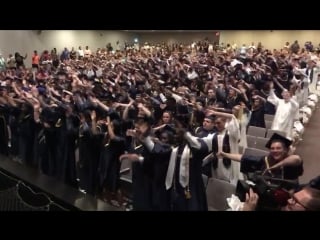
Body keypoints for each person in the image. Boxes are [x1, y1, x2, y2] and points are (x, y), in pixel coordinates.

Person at [217, 133, 303, 181]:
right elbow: (242, 158)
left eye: (278, 148)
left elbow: (297, 159)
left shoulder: (290, 163)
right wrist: (225, 154)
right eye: (272, 148)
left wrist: (275, 166)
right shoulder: (266, 160)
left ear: (285, 150)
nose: (275, 150)